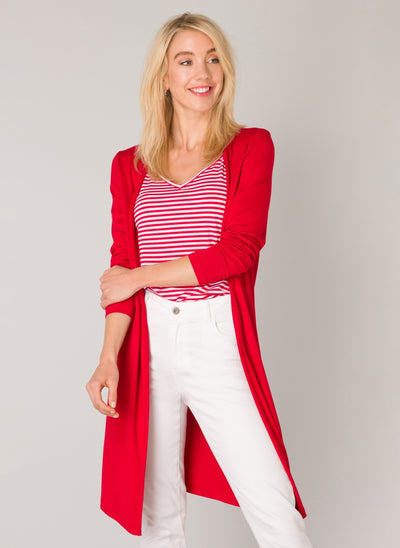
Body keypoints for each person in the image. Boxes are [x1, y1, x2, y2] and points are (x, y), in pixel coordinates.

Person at [86, 12, 313, 548]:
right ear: (164, 76)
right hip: (149, 343)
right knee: (158, 516)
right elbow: (121, 268)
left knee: (274, 508)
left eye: (213, 59)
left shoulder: (250, 147)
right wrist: (108, 357)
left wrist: (140, 277)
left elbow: (237, 251)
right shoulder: (129, 166)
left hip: (214, 335)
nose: (203, 72)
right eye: (186, 61)